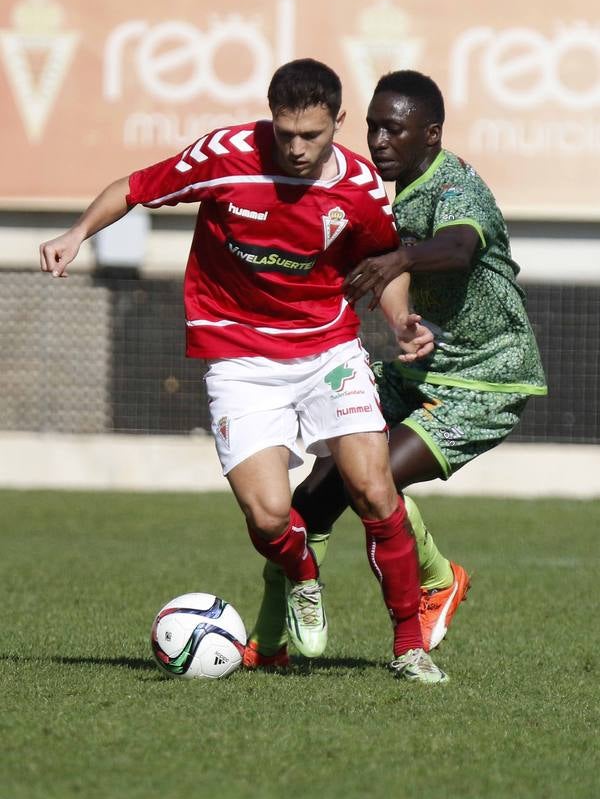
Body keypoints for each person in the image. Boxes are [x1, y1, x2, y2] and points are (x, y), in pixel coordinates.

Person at [39, 59, 448, 685]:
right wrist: (78, 233)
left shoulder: (361, 187)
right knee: (267, 516)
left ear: (337, 122)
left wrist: (399, 321)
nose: (297, 148)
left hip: (327, 351)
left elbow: (379, 263)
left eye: (312, 135)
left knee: (372, 488)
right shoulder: (227, 155)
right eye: (286, 132)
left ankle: (407, 645)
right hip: (240, 358)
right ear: (271, 117)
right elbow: (136, 186)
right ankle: (303, 578)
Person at [243, 69, 547, 672]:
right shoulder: (375, 186)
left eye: (396, 129)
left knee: (370, 483)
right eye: (375, 126)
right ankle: (270, 642)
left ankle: (437, 580)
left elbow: (459, 247)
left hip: (484, 381)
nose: (380, 140)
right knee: (309, 504)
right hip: (416, 372)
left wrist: (399, 258)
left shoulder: (454, 185)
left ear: (430, 135)